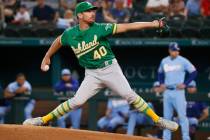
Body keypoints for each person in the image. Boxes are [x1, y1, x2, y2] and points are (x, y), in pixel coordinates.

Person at [23, 1, 178, 133]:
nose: (92, 13)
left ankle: (157, 120)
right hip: (92, 74)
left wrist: (153, 24)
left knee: (129, 95)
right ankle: (43, 120)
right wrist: (47, 56)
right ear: (79, 16)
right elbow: (58, 41)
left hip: (110, 69)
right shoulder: (70, 34)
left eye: (93, 11)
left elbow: (128, 26)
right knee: (77, 101)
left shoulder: (100, 28)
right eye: (88, 11)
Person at [157, 42, 197, 140]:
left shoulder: (183, 61)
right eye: (174, 50)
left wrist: (185, 84)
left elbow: (194, 72)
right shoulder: (164, 61)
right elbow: (160, 73)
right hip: (167, 91)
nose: (176, 52)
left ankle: (186, 138)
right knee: (167, 117)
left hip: (178, 92)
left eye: (177, 50)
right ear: (169, 50)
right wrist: (161, 82)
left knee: (182, 116)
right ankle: (166, 138)